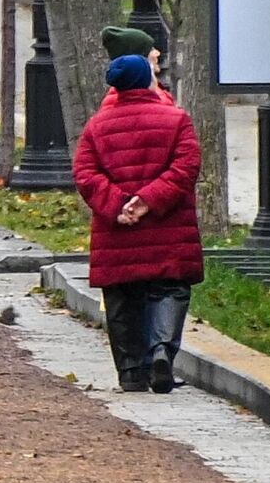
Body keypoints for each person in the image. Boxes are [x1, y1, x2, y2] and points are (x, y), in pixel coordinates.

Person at [73, 53, 205, 394]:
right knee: (169, 289)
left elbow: (86, 175)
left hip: (117, 232)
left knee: (122, 298)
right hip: (168, 225)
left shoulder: (96, 126)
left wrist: (118, 204)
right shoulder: (176, 120)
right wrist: (149, 200)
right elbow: (186, 167)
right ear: (146, 78)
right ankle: (161, 349)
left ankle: (131, 372)